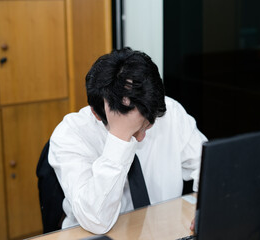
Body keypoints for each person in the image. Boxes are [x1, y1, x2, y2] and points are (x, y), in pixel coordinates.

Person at [48, 47, 207, 234]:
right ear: (96, 113)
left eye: (147, 126)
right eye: (134, 131)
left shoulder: (170, 112)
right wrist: (120, 139)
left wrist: (207, 207)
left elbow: (208, 168)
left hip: (161, 231)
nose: (141, 138)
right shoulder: (70, 134)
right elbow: (96, 222)